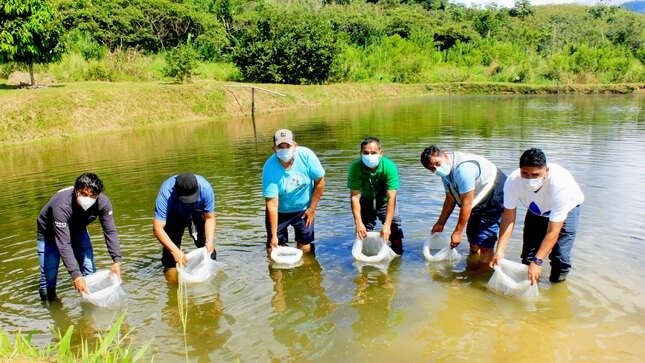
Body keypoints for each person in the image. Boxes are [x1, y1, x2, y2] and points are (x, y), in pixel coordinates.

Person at [491, 148, 584, 284]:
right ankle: (529, 286)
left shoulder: (560, 187)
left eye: (535, 175)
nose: (529, 179)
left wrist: (538, 261)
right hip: (536, 210)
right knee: (528, 257)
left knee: (560, 257)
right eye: (525, 173)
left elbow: (553, 231)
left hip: (568, 210)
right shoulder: (513, 181)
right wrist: (500, 251)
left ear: (546, 171)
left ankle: (556, 286)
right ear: (520, 170)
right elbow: (508, 218)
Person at [37, 172, 122, 301]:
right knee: (49, 277)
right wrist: (75, 276)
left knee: (89, 269)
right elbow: (64, 244)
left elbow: (110, 231)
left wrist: (116, 260)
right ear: (76, 190)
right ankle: (51, 306)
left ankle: (91, 305)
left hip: (77, 229)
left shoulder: (103, 203)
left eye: (92, 196)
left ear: (98, 195)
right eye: (83, 194)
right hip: (49, 234)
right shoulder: (61, 206)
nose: (87, 198)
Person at [420, 145, 507, 267]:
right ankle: (473, 264)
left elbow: (467, 203)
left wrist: (457, 232)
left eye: (437, 164)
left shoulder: (462, 169)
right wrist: (440, 223)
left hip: (495, 191)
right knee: (473, 237)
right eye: (432, 169)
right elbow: (450, 199)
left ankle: (481, 276)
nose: (436, 169)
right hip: (477, 197)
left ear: (445, 155)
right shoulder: (445, 174)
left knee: (484, 241)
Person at [262, 129, 325, 253]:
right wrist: (274, 235)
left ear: (295, 146)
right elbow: (272, 204)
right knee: (273, 247)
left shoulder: (307, 156)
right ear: (274, 149)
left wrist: (312, 208)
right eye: (280, 146)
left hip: (303, 208)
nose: (284, 149)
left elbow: (320, 181)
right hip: (280, 211)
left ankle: (306, 269)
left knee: (305, 245)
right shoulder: (269, 168)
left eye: (288, 146)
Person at [153, 173, 217, 283]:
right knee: (171, 259)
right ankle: (173, 290)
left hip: (197, 213)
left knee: (209, 252)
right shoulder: (166, 193)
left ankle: (214, 290)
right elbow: (157, 228)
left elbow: (210, 218)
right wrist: (175, 251)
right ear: (175, 190)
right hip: (174, 215)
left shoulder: (205, 188)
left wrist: (210, 240)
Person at [347, 137, 404, 254]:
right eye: (366, 153)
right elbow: (354, 196)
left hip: (384, 201)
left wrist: (387, 225)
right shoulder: (355, 167)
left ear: (380, 153)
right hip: (365, 200)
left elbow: (391, 197)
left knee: (394, 232)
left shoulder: (389, 166)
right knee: (363, 234)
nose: (369, 156)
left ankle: (397, 261)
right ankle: (365, 266)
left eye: (373, 153)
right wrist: (358, 223)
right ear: (361, 153)